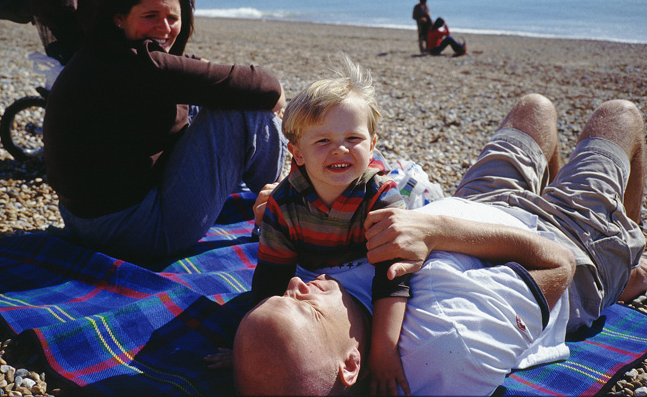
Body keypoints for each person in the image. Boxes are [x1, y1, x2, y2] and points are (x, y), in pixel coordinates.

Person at [233, 93, 647, 396]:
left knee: (534, 107)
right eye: (303, 304)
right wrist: (436, 231)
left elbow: (282, 264)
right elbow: (557, 264)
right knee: (620, 116)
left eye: (281, 297)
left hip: (475, 203)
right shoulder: (445, 349)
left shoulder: (321, 303)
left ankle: (556, 192)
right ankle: (624, 261)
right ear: (353, 363)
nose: (294, 286)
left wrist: (278, 203)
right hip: (566, 239)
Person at [43, 0, 287, 263]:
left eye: (173, 17)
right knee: (244, 113)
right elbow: (267, 87)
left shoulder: (101, 55)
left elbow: (189, 79)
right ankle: (285, 215)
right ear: (119, 17)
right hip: (134, 232)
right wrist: (268, 97)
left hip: (83, 221)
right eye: (150, 16)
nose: (164, 28)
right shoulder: (140, 65)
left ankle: (270, 194)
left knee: (215, 96)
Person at [251, 55, 410, 394]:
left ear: (372, 144)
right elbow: (271, 278)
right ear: (298, 153)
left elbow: (393, 280)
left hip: (365, 279)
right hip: (317, 282)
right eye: (322, 141)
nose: (339, 149)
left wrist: (384, 350)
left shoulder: (380, 198)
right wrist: (251, 345)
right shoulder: (285, 202)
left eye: (353, 138)